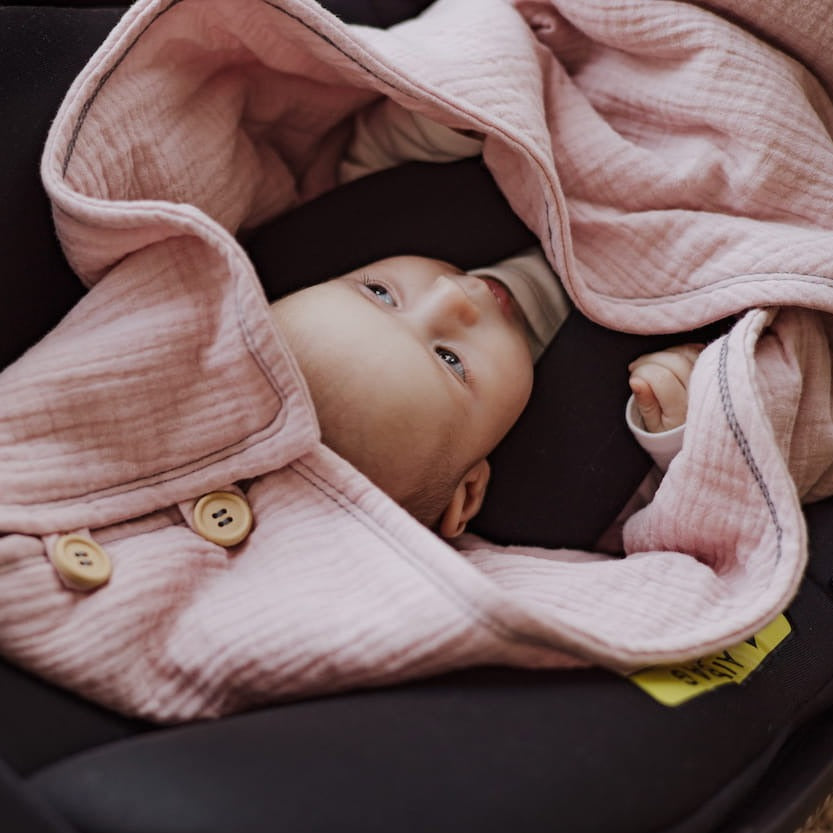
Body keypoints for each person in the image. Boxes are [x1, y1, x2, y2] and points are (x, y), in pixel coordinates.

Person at [270, 251, 704, 538]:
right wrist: (676, 433)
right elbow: (683, 516)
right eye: (450, 360)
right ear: (469, 490)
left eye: (379, 293)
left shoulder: (373, 221)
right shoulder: (581, 486)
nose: (451, 293)